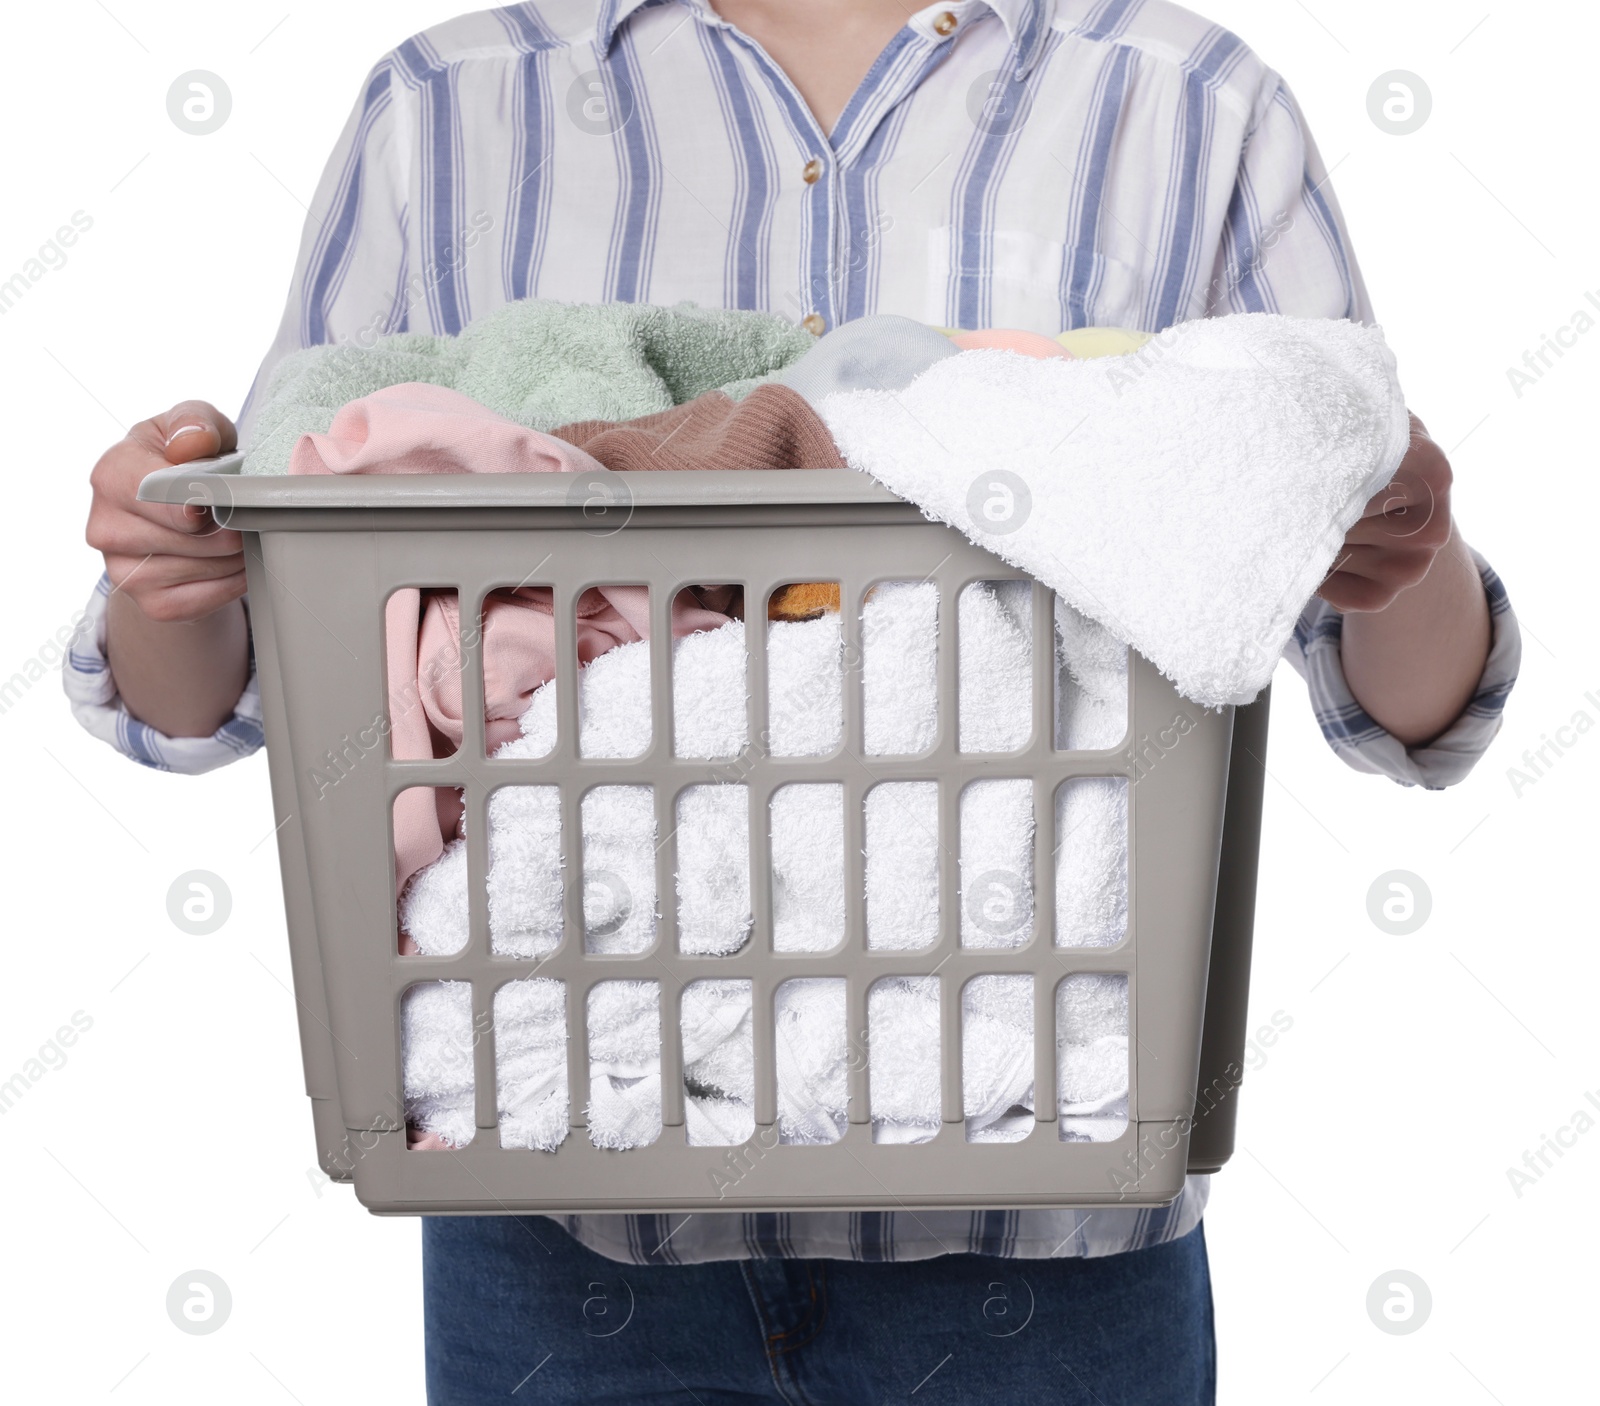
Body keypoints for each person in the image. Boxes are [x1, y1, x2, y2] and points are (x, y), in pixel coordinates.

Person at [70, 2, 1519, 1401]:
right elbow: (229, 684)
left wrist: (1403, 534)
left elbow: (1405, 707)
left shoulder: (1187, 104)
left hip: (1053, 1257)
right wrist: (163, 567)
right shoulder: (445, 109)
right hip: (570, 1243)